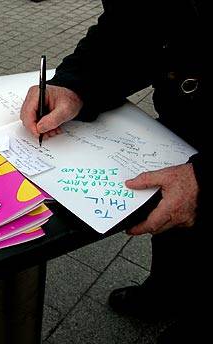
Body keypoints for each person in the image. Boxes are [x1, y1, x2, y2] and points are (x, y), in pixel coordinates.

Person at [20, 1, 209, 342]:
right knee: (172, 220)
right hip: (185, 120)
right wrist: (75, 85)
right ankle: (167, 291)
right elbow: (127, 30)